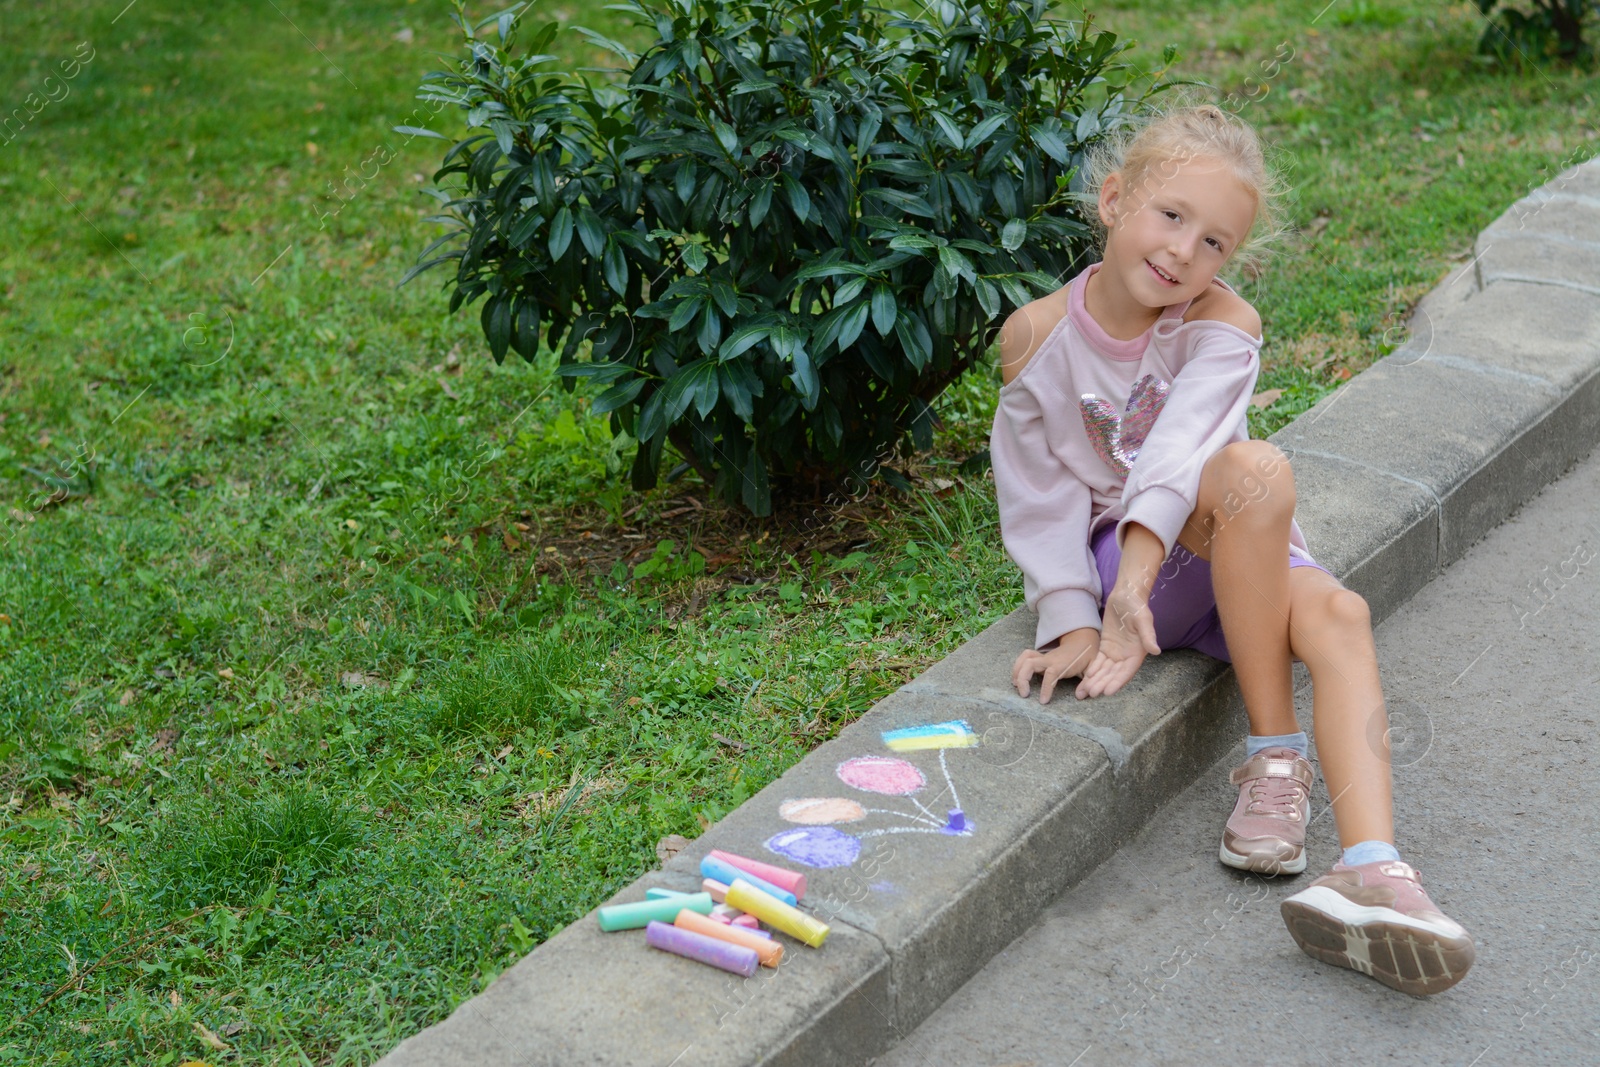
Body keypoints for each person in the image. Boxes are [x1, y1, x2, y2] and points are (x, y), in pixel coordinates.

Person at [991, 101, 1474, 996]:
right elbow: (1039, 494)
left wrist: (1136, 588)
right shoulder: (1038, 339)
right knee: (1260, 468)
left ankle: (1371, 869)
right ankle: (1273, 753)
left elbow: (1179, 452)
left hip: (1229, 558)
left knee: (1339, 609)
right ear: (1111, 199)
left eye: (1215, 242)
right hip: (1148, 572)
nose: (1184, 252)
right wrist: (1075, 612)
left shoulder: (1224, 328)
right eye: (1171, 216)